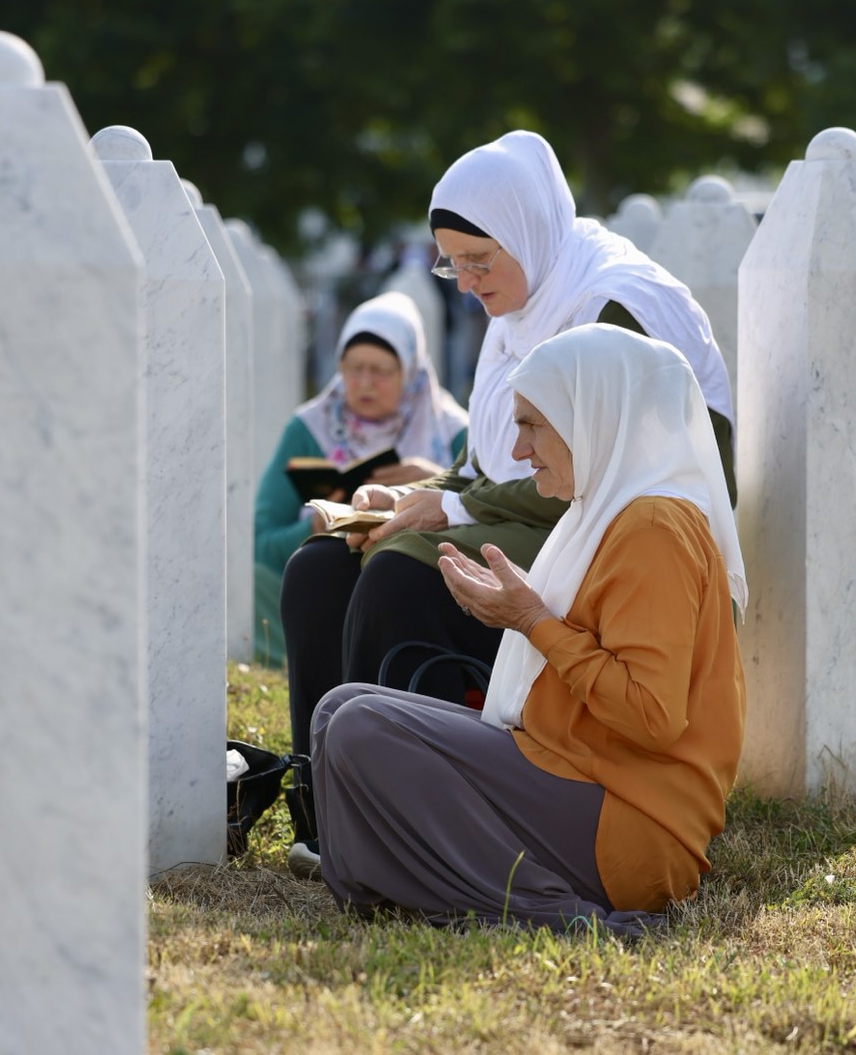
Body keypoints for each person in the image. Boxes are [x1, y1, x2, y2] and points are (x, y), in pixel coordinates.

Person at [279, 130, 735, 871]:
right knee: (321, 566)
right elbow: (492, 456)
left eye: (479, 261)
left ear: (529, 231)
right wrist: (423, 491)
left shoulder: (613, 301)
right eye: (452, 263)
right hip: (532, 512)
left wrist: (452, 510)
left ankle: (379, 818)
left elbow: (611, 472)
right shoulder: (517, 311)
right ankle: (320, 809)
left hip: (620, 536)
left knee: (400, 570)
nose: (464, 281)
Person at [306, 324, 747, 935]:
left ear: (592, 416)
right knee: (339, 710)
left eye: (534, 425)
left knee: (361, 728)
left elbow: (652, 716)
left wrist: (531, 619)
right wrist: (527, 603)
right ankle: (389, 888)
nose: (518, 451)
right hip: (579, 770)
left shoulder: (653, 528)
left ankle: (562, 914)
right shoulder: (608, 508)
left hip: (632, 820)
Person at [253, 291, 467, 666]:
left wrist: (440, 482)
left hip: (417, 604)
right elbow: (261, 545)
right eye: (352, 367)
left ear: (412, 372)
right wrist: (316, 527)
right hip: (320, 597)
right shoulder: (310, 431)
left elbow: (492, 511)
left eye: (381, 371)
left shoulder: (454, 436)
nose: (364, 382)